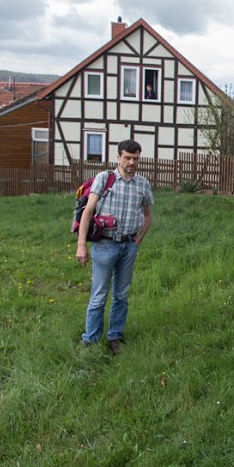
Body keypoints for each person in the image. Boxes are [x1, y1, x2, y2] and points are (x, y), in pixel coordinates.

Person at [76, 139, 154, 355]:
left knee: (121, 294)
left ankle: (115, 337)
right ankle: (90, 339)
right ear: (118, 157)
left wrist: (138, 241)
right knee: (99, 294)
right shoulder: (105, 179)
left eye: (135, 158)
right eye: (127, 158)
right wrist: (81, 244)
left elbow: (148, 215)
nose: (131, 162)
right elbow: (88, 212)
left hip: (128, 246)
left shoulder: (143, 184)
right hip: (105, 245)